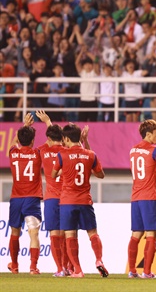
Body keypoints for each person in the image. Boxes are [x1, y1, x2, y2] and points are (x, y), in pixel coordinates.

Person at [52, 123, 108, 278]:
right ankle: (99, 260)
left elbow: (52, 174)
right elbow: (101, 175)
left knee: (70, 235)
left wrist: (64, 170)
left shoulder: (62, 155)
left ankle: (78, 270)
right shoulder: (90, 155)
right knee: (93, 233)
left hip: (68, 201)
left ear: (66, 138)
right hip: (85, 201)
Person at [127, 120, 156, 279]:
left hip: (136, 197)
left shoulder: (133, 150)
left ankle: (132, 271)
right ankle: (147, 272)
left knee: (136, 234)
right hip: (149, 197)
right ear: (148, 134)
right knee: (152, 235)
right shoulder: (155, 150)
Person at [35, 111, 70, 277]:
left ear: (48, 138)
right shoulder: (66, 151)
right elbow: (57, 139)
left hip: (50, 198)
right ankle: (68, 266)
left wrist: (47, 123)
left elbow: (51, 140)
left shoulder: (42, 150)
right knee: (67, 234)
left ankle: (59, 269)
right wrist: (49, 123)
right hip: (67, 197)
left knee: (54, 234)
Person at [7, 114, 42, 275]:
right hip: (32, 198)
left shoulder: (13, 152)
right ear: (33, 141)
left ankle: (14, 266)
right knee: (33, 234)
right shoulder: (37, 154)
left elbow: (14, 142)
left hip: (16, 199)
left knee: (15, 232)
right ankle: (33, 268)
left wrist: (24, 126)